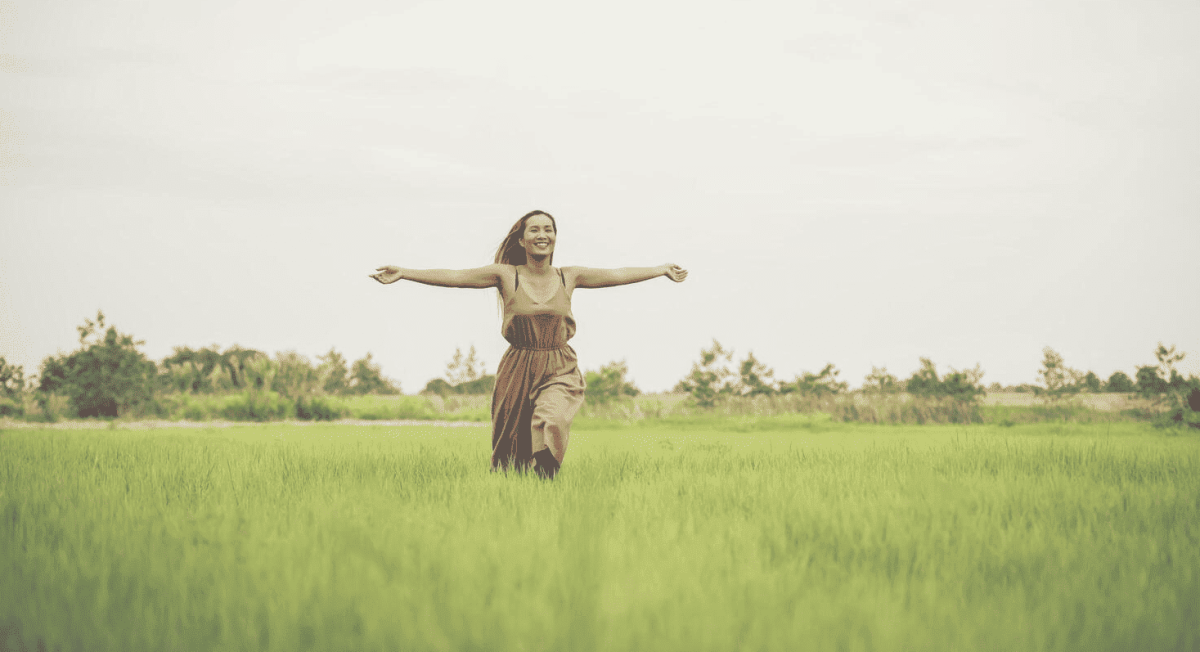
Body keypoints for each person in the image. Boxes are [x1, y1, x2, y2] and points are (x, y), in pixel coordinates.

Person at [370, 210, 687, 478]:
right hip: (518, 367)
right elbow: (456, 277)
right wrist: (405, 273)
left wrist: (660, 270)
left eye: (549, 229)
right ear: (521, 240)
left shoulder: (568, 276)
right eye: (534, 229)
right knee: (510, 451)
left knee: (552, 418)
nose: (542, 234)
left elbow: (616, 274)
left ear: (555, 238)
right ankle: (526, 490)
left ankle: (546, 470)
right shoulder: (506, 275)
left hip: (560, 365)